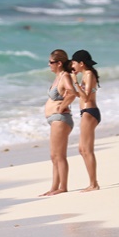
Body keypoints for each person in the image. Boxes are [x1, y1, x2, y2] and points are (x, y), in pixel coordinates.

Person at [41, 49, 76, 196]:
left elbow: (72, 92)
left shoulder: (65, 76)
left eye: (51, 62)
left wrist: (61, 107)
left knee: (59, 155)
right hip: (55, 120)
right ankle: (54, 187)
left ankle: (63, 187)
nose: (49, 64)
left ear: (59, 63)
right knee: (53, 155)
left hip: (60, 120)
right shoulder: (58, 77)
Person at [70, 49, 101, 191]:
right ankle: (92, 182)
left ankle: (94, 184)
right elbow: (81, 96)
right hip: (86, 112)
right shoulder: (85, 75)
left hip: (90, 112)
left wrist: (75, 82)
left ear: (81, 63)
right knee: (82, 149)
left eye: (74, 62)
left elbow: (87, 97)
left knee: (87, 150)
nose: (73, 65)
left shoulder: (88, 75)